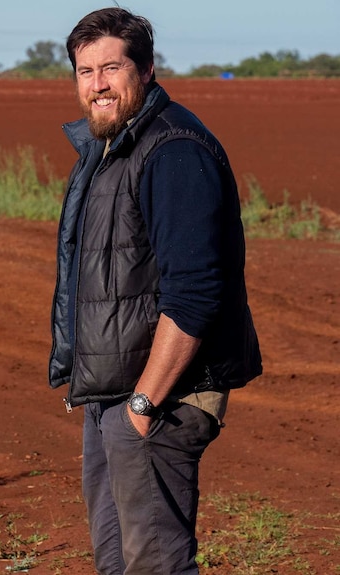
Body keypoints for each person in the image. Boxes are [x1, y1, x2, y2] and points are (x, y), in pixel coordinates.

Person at [47, 8, 262, 574]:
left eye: (111, 68)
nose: (96, 84)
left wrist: (141, 406)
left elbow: (193, 295)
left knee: (155, 566)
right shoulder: (110, 153)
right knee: (118, 562)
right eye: (84, 71)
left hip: (160, 399)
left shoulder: (172, 151)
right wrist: (98, 399)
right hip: (111, 398)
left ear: (144, 69)